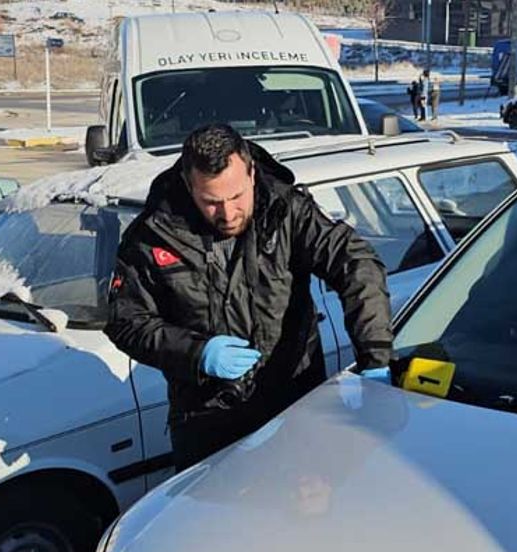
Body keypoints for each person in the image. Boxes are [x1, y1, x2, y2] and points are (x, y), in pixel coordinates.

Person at [105, 124, 393, 471]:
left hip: (293, 406)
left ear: (252, 174)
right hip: (207, 419)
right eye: (211, 202)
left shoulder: (286, 211)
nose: (227, 213)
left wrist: (375, 357)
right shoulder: (153, 235)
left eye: (237, 196)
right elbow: (126, 321)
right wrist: (197, 353)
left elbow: (356, 263)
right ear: (188, 184)